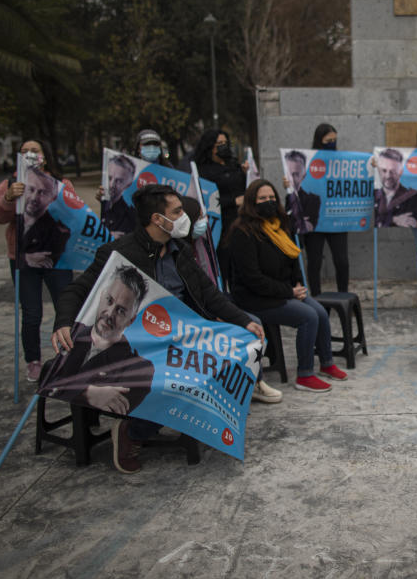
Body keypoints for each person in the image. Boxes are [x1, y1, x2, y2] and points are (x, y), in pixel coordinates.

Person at [50, 184, 269, 474]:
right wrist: (63, 321)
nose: (184, 217)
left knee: (239, 348)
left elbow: (208, 293)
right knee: (172, 381)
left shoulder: (180, 250)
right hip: (140, 342)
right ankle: (133, 432)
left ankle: (208, 417)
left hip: (181, 334)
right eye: (177, 212)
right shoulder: (119, 254)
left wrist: (243, 321)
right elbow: (76, 290)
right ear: (157, 219)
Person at [227, 179, 348, 393]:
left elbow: (293, 259)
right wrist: (289, 292)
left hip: (284, 290)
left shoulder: (280, 226)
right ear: (251, 202)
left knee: (319, 311)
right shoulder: (242, 233)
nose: (268, 202)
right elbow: (252, 278)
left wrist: (299, 285)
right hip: (255, 298)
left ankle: (326, 363)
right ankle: (305, 375)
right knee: (307, 316)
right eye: (262, 198)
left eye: (272, 198)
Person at [0, 139, 73, 382]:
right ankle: (34, 361)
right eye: (24, 151)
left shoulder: (61, 183)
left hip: (57, 257)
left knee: (65, 309)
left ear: (45, 156)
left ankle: (69, 355)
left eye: (34, 151)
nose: (29, 154)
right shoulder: (11, 183)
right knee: (31, 313)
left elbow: (73, 214)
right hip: (23, 259)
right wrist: (8, 197)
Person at [38, 265, 155, 415]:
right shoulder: (74, 334)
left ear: (130, 321)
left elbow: (121, 407)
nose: (109, 313)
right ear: (101, 297)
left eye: (120, 310)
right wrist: (86, 391)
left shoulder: (140, 368)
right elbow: (49, 377)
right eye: (109, 300)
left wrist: (70, 386)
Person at [299, 124, 350, 295]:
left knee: (342, 261)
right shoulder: (308, 161)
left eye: (335, 140)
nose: (332, 144)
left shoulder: (341, 160)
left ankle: (343, 294)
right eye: (328, 141)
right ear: (319, 140)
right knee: (314, 262)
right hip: (316, 220)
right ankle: (316, 297)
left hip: (337, 219)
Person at [194, 129, 248, 239]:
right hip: (222, 223)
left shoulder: (234, 164)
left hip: (243, 219)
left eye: (225, 143)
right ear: (210, 147)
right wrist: (233, 201)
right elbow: (207, 199)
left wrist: (246, 174)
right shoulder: (204, 170)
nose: (223, 146)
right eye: (219, 144)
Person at [17, 164, 71, 268]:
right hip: (22, 263)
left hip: (57, 262)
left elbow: (74, 219)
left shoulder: (61, 185)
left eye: (42, 192)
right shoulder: (12, 185)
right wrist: (8, 199)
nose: (34, 198)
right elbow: (0, 218)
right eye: (31, 189)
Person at [373, 148, 417, 228]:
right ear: (378, 170)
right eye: (384, 170)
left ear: (401, 172)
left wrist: (383, 219)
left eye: (393, 172)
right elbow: (371, 221)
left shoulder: (412, 196)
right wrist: (393, 219)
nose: (388, 176)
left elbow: (411, 224)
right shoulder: (373, 194)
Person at [282, 149, 321, 233]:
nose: (291, 178)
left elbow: (309, 226)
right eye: (289, 174)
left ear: (303, 175)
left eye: (296, 174)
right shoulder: (288, 196)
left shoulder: (313, 200)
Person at [100, 154, 138, 236]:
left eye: (119, 181)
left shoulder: (130, 215)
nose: (111, 185)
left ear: (128, 184)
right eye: (109, 178)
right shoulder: (105, 204)